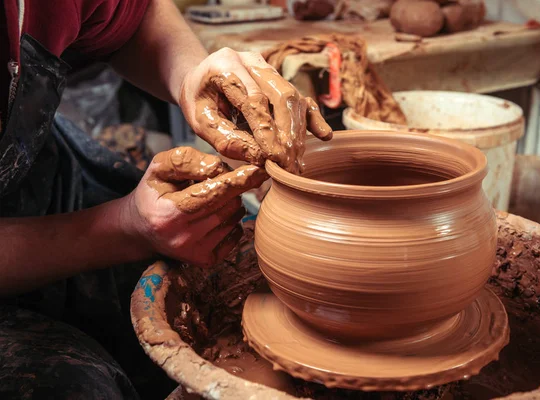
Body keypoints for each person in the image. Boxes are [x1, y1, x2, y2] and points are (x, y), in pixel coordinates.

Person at [0, 0, 332, 399]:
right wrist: (125, 228)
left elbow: (136, 17)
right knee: (77, 386)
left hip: (34, 170)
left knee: (200, 252)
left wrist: (193, 76)